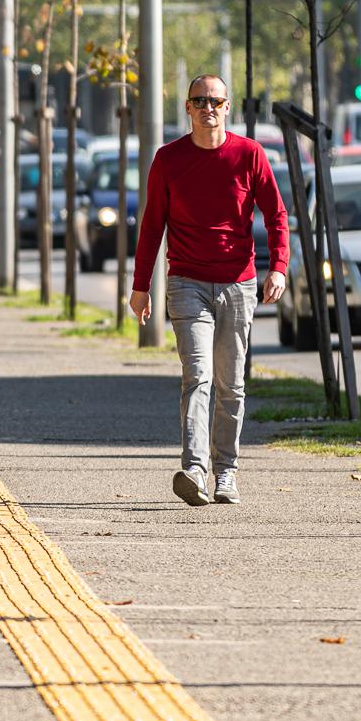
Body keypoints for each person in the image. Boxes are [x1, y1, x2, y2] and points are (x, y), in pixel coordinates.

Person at [129, 74, 289, 508]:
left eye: (214, 101)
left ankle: (227, 471)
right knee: (197, 375)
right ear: (187, 108)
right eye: (199, 101)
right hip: (186, 281)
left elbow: (276, 214)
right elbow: (152, 226)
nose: (207, 108)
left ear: (227, 106)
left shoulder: (249, 155)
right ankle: (195, 468)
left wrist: (279, 267)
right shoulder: (168, 159)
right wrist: (140, 286)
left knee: (231, 384)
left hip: (239, 282)